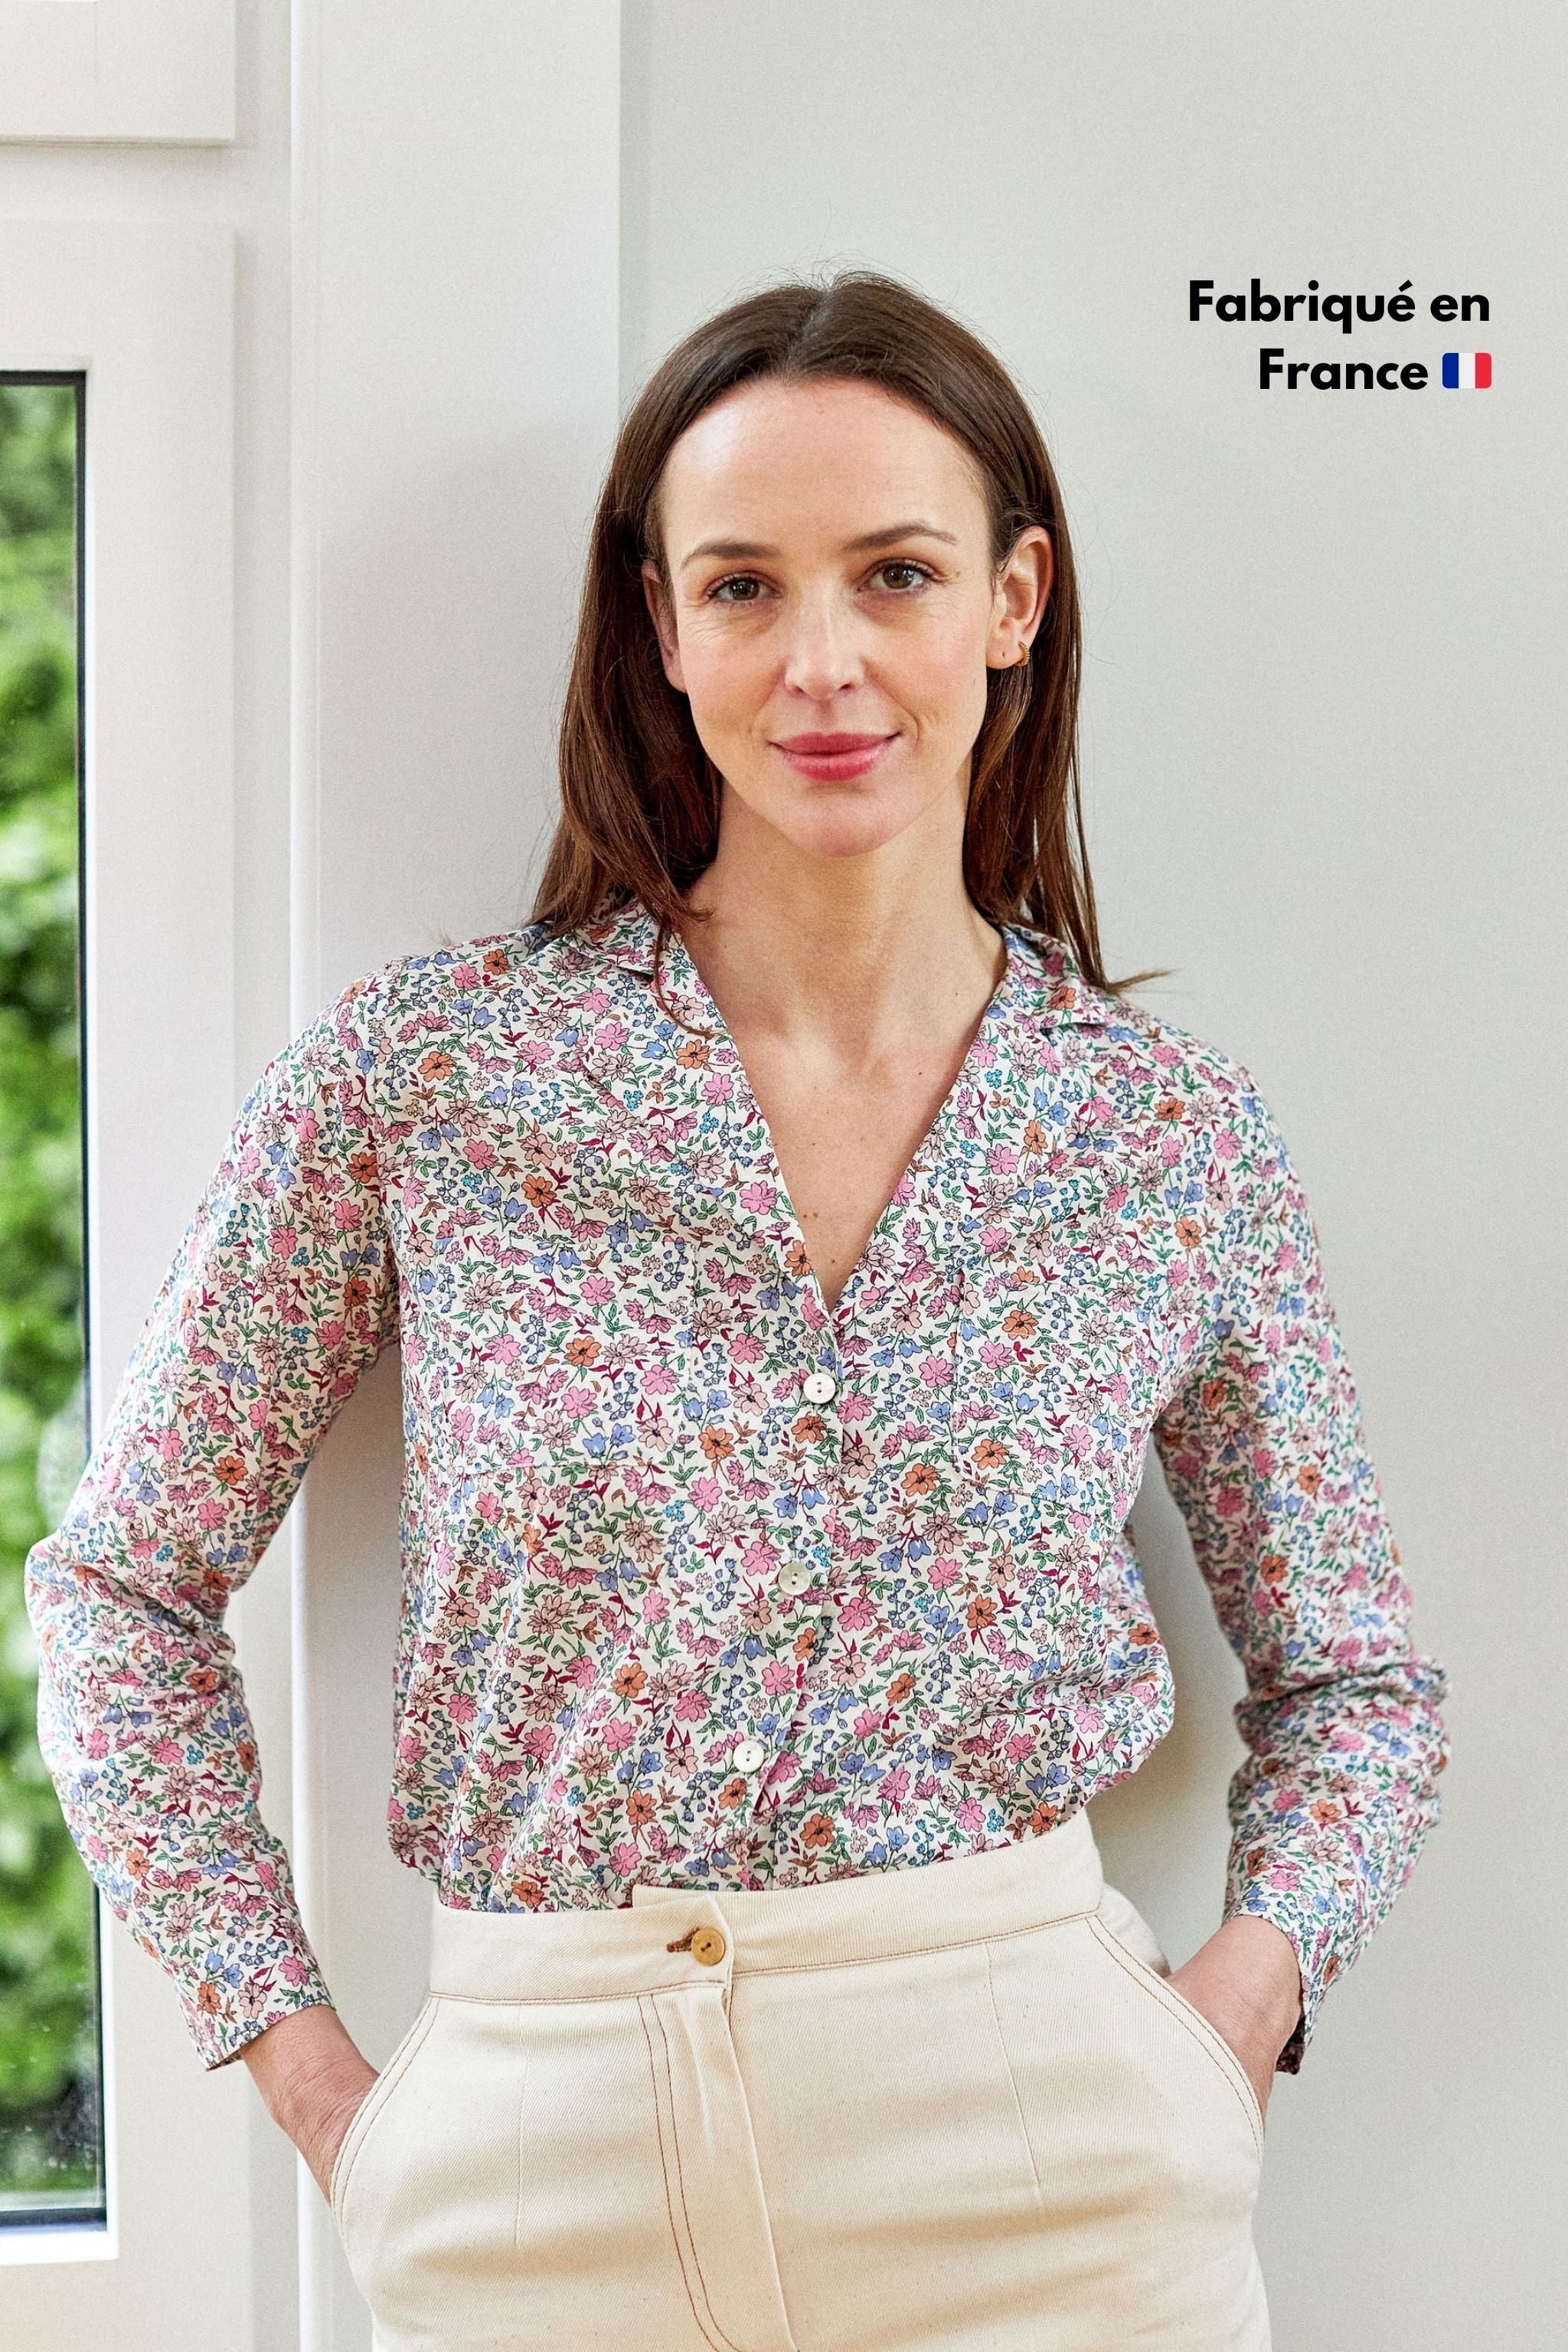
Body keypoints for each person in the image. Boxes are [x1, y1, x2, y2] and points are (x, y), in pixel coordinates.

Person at [25, 270, 1449, 2350]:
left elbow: (1359, 1682)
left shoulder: (1165, 1136)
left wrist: (1233, 2013)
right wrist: (321, 2087)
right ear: (663, 626)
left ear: (1014, 599)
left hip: (1056, 2183)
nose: (823, 661)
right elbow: (118, 1591)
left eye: (896, 574)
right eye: (745, 587)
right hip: (544, 2180)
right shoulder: (434, 1080)